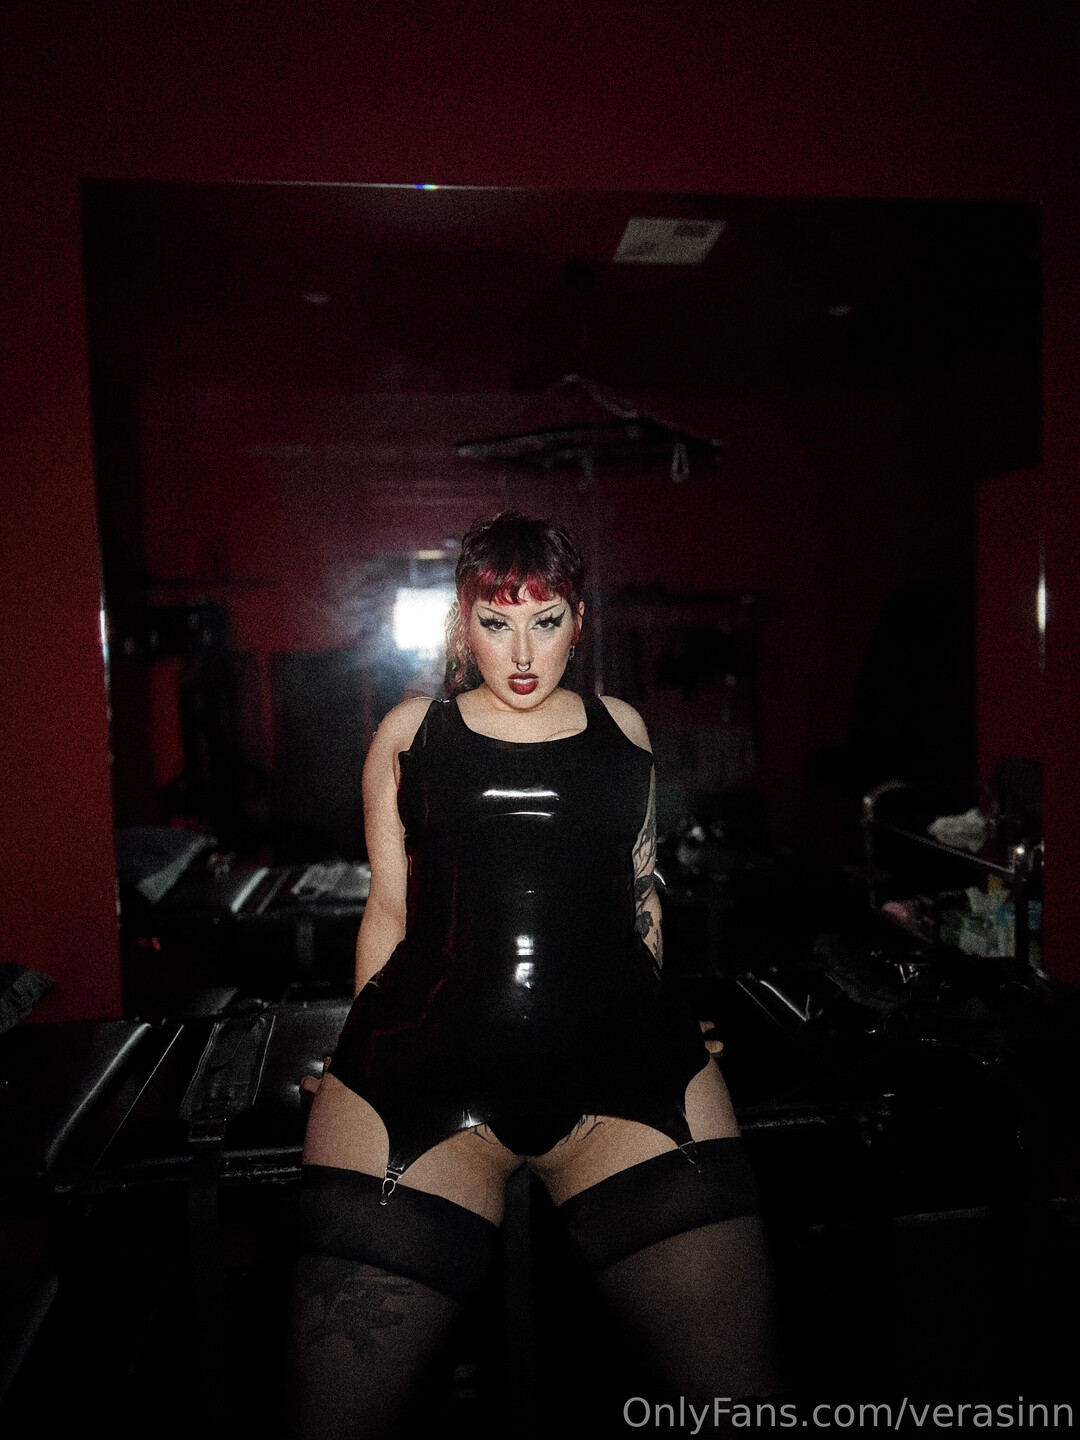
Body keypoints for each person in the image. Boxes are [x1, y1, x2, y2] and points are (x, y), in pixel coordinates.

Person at [291, 512, 779, 1436]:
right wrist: (358, 1046)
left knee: (741, 1408)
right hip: (423, 1079)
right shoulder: (409, 732)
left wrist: (662, 1014)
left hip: (623, 1085)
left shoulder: (622, 729)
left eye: (545, 621)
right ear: (462, 624)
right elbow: (388, 911)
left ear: (578, 622)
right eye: (497, 621)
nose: (522, 653)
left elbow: (641, 897)